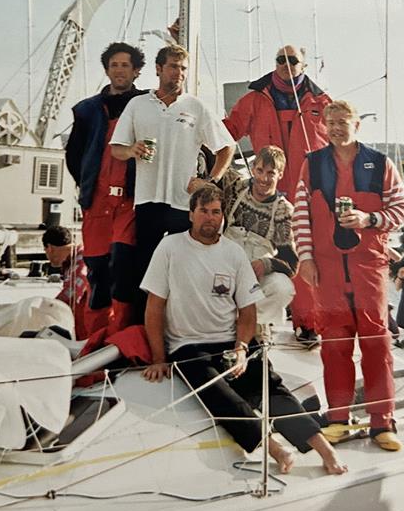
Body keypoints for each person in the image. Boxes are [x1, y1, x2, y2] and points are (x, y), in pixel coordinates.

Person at [141, 184, 347, 476]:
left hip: (230, 342)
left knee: (270, 385)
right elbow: (154, 306)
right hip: (188, 346)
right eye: (203, 211)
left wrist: (240, 348)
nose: (210, 218)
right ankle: (275, 449)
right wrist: (159, 358)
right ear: (191, 214)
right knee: (218, 393)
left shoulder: (233, 253)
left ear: (224, 216)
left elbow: (247, 311)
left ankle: (325, 449)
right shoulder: (170, 248)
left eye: (216, 212)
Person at [293, 100, 404, 451]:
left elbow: (403, 210)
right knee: (334, 345)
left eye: (343, 122)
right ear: (324, 126)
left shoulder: (379, 164)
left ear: (356, 124)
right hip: (326, 270)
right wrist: (306, 258)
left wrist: (369, 219)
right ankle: (338, 420)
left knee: (377, 343)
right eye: (331, 122)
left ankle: (382, 423)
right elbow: (302, 215)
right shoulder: (311, 165)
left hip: (368, 267)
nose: (336, 128)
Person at [110, 44, 234, 320]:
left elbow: (226, 147)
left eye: (183, 68)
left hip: (183, 204)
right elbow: (116, 148)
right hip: (148, 201)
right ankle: (143, 333)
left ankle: (184, 328)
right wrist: (132, 150)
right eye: (173, 67)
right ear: (158, 69)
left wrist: (209, 181)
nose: (178, 73)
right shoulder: (138, 104)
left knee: (186, 268)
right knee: (147, 269)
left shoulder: (196, 107)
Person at [223, 45, 331, 348]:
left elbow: (338, 146)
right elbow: (228, 130)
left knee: (304, 258)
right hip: (266, 189)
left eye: (292, 60)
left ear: (304, 65)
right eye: (280, 59)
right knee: (256, 259)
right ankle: (247, 324)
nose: (285, 64)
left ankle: (308, 324)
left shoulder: (321, 102)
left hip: (305, 194)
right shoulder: (256, 98)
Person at [65, 42, 148, 336]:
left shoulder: (147, 104)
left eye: (125, 65)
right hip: (96, 203)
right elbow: (74, 155)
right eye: (114, 65)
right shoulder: (87, 110)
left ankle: (122, 336)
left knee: (123, 268)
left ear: (137, 71)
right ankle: (95, 338)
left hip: (129, 202)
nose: (119, 70)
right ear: (107, 69)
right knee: (97, 272)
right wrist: (87, 184)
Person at [220, 145, 297, 343]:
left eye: (271, 173)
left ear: (280, 174)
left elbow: (291, 263)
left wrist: (266, 264)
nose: (263, 178)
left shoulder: (283, 210)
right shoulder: (235, 188)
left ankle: (252, 322)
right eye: (260, 170)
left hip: (255, 278)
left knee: (283, 287)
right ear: (253, 168)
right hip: (223, 268)